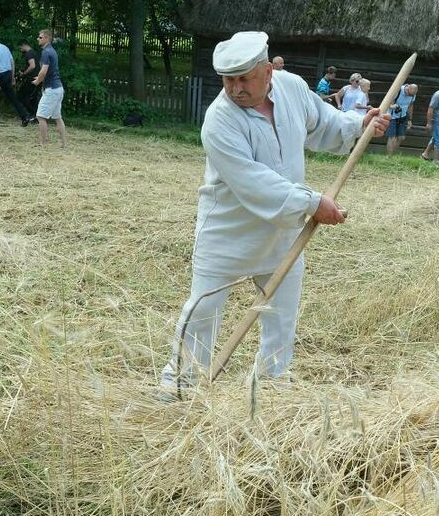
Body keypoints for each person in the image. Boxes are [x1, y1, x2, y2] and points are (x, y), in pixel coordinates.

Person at [160, 31, 390, 396]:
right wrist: (313, 204)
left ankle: (270, 387)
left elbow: (322, 123)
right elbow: (256, 183)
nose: (235, 89)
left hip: (282, 234)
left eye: (244, 79)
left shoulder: (292, 88)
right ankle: (179, 386)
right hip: (228, 233)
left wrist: (357, 125)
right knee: (203, 310)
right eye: (228, 80)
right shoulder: (219, 120)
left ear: (267, 71)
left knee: (281, 316)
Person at [0, 32, 30, 126]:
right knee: (12, 96)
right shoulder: (5, 47)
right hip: (8, 74)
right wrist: (13, 77)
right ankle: (24, 116)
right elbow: (12, 62)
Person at [33, 28, 67, 147]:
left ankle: (42, 143)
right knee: (58, 117)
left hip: (52, 90)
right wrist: (40, 78)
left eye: (40, 37)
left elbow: (43, 71)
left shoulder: (46, 52)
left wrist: (37, 81)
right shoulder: (52, 51)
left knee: (40, 116)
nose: (38, 39)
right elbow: (48, 72)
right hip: (58, 88)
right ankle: (64, 144)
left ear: (47, 38)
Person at [384, 83, 417, 156]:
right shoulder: (398, 90)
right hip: (392, 116)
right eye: (410, 94)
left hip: (402, 116)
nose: (410, 96)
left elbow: (411, 106)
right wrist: (392, 106)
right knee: (392, 137)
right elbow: (387, 103)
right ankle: (389, 156)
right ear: (408, 89)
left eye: (413, 95)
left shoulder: (413, 94)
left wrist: (410, 120)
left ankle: (392, 154)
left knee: (401, 137)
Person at [16, 40, 39, 120]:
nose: (20, 49)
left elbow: (32, 66)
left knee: (22, 96)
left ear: (23, 45)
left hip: (31, 78)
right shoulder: (33, 52)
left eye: (20, 47)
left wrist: (24, 73)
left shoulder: (29, 53)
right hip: (35, 78)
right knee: (31, 97)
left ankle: (33, 114)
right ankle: (34, 114)